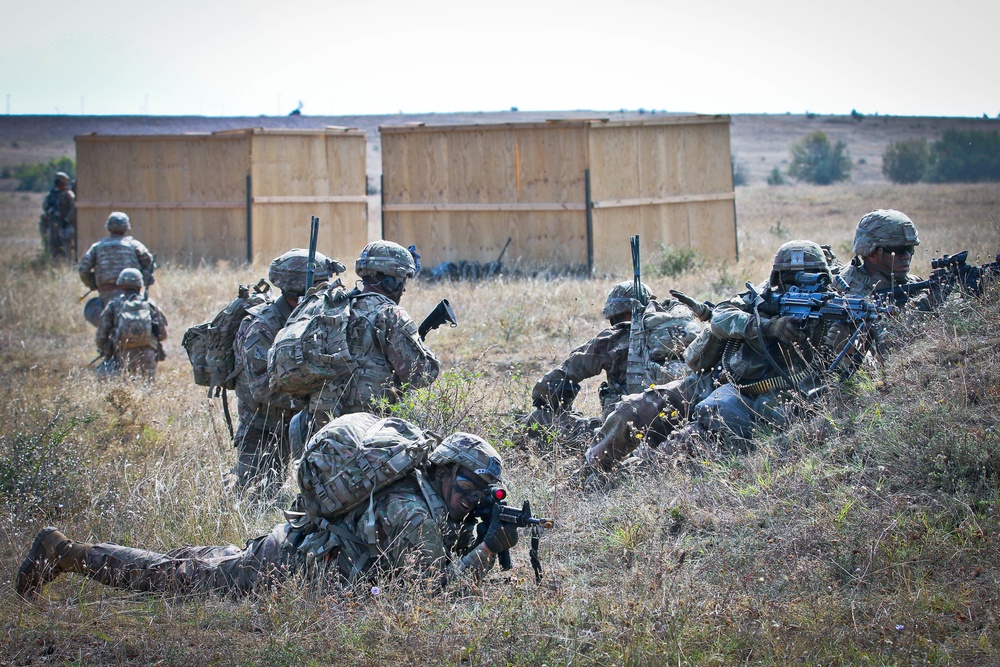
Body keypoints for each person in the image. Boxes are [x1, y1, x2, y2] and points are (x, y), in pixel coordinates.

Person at [15, 416, 519, 600]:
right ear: (445, 470)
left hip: (295, 548)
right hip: (283, 568)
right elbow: (439, 590)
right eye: (469, 485)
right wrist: (490, 546)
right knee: (167, 578)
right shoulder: (414, 510)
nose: (473, 498)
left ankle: (72, 554)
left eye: (482, 491)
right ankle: (66, 553)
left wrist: (477, 526)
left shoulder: (421, 492)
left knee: (187, 561)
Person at [585, 240, 868, 472]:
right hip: (716, 379)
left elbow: (842, 381)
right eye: (792, 280)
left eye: (811, 277)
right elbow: (721, 316)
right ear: (778, 279)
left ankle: (635, 472)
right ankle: (591, 468)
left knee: (674, 452)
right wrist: (766, 326)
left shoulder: (836, 311)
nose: (801, 288)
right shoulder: (762, 299)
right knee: (632, 411)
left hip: (758, 398)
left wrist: (841, 344)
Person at [287, 240, 440, 452]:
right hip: (366, 432)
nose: (404, 288)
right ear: (388, 281)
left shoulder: (333, 307)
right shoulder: (388, 314)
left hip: (320, 422)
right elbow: (421, 375)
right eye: (401, 279)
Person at [522, 281, 699, 447]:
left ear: (616, 314)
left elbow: (555, 380)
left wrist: (554, 404)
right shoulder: (682, 335)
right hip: (684, 430)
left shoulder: (614, 339)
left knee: (539, 419)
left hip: (625, 436)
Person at [231, 249, 344, 493]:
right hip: (263, 428)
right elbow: (261, 390)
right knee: (255, 494)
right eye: (321, 286)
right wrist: (312, 401)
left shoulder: (317, 318)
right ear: (300, 290)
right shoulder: (262, 326)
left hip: (300, 423)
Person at [78, 211, 156, 327]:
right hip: (132, 293)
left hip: (106, 293)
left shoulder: (97, 247)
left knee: (105, 322)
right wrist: (144, 279)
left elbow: (83, 269)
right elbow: (150, 265)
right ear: (126, 226)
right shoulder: (135, 245)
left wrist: (92, 284)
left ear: (109, 226)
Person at [94, 268, 168, 381]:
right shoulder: (149, 304)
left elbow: (101, 336)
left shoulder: (114, 305)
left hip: (123, 355)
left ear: (121, 285)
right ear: (139, 285)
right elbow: (163, 335)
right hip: (148, 355)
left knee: (125, 388)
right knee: (147, 389)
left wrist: (108, 350)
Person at [41, 171, 76, 260]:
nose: (57, 183)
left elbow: (73, 209)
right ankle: (54, 262)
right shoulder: (52, 194)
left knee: (66, 245)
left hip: (64, 225)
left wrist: (67, 220)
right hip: (53, 224)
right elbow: (45, 205)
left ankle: (66, 263)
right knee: (53, 245)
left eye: (59, 181)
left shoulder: (69, 195)